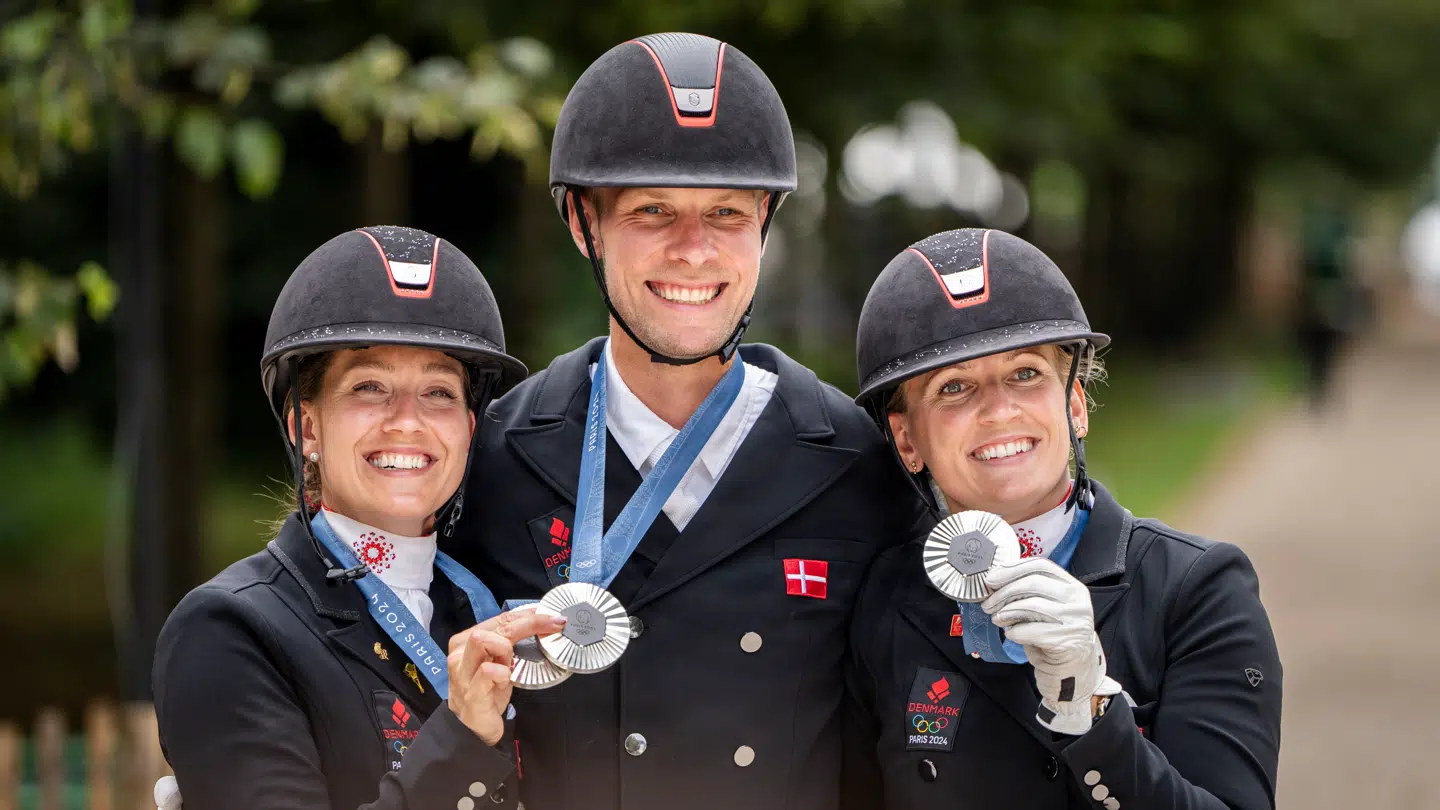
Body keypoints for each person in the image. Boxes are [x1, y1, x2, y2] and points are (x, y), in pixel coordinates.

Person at [445, 33, 928, 810]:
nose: (694, 251)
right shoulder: (493, 458)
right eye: (654, 210)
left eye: (726, 212)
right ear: (584, 222)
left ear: (764, 221)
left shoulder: (861, 465)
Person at [843, 228, 1283, 809]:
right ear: (907, 441)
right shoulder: (882, 602)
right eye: (954, 387)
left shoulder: (1197, 591)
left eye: (1025, 374)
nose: (999, 410)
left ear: (1074, 405)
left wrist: (1091, 711)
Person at [152, 226, 564, 809]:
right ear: (307, 426)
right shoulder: (228, 632)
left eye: (439, 393)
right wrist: (461, 741)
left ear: (470, 430)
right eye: (370, 387)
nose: (407, 421)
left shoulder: (493, 605)